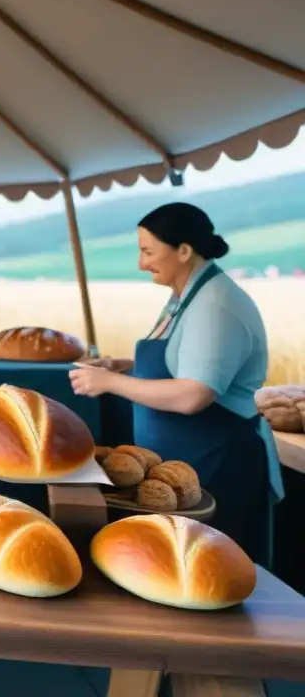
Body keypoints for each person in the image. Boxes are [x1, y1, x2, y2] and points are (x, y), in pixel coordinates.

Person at [69, 202, 283, 567]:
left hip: (219, 462)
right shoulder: (186, 296)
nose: (141, 263)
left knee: (214, 569)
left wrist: (111, 381)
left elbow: (193, 394)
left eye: (148, 251)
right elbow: (185, 359)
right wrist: (125, 365)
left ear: (184, 251)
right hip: (189, 467)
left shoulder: (216, 304)